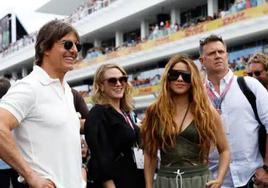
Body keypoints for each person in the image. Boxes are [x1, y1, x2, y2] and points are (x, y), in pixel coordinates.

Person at [0, 20, 83, 188]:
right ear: (45, 48)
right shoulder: (30, 86)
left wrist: (81, 174)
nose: (74, 50)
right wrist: (30, 176)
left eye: (77, 46)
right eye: (67, 44)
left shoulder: (66, 89)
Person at [141, 54, 230, 188]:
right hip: (166, 180)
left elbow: (224, 150)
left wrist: (219, 179)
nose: (180, 79)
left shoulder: (206, 111)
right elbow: (150, 153)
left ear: (193, 79)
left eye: (186, 75)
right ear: (167, 78)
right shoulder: (154, 111)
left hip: (198, 180)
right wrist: (148, 186)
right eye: (175, 74)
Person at [199, 34, 268, 187]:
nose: (218, 56)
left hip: (251, 178)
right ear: (202, 61)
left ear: (227, 55)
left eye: (221, 52)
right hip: (213, 180)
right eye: (211, 53)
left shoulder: (250, 85)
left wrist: (266, 168)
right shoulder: (197, 95)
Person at [84, 63, 145, 188]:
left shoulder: (125, 112)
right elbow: (100, 160)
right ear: (101, 85)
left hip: (134, 179)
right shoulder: (98, 114)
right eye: (112, 80)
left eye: (123, 79)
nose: (118, 84)